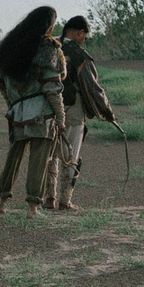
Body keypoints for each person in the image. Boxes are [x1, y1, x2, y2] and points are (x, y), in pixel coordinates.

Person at [0, 5, 63, 218]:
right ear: (49, 25)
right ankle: (33, 207)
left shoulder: (9, 46)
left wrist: (12, 105)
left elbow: (0, 82)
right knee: (39, 160)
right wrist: (60, 116)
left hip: (17, 111)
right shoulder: (48, 47)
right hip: (42, 112)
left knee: (13, 158)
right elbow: (52, 87)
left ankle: (2, 203)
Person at [48, 15, 115, 210]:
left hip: (47, 109)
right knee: (71, 155)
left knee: (50, 154)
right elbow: (93, 88)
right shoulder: (79, 55)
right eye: (85, 35)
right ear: (79, 32)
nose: (84, 39)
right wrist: (107, 112)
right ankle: (64, 200)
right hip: (72, 108)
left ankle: (48, 199)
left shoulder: (48, 47)